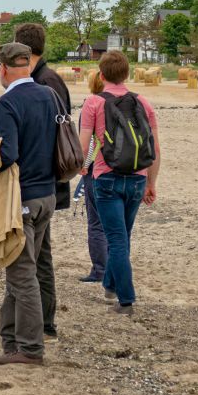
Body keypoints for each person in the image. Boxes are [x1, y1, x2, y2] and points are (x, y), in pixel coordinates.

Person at [0, 42, 57, 365]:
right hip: (47, 195)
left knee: (22, 273)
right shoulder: (49, 95)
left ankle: (30, 349)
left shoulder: (7, 103)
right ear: (28, 64)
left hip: (22, 198)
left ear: (2, 69)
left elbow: (7, 153)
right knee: (18, 268)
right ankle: (11, 338)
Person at [79, 51, 160, 315]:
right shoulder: (144, 103)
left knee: (116, 240)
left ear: (101, 76)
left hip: (107, 178)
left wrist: (82, 166)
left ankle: (126, 300)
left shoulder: (93, 103)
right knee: (122, 238)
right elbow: (155, 148)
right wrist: (151, 182)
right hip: (137, 179)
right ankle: (110, 285)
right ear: (127, 73)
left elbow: (84, 145)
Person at [15, 23, 71, 342]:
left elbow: (51, 135)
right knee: (40, 254)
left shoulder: (44, 82)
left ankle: (43, 323)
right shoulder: (50, 79)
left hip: (43, 183)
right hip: (49, 182)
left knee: (37, 257)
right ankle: (43, 319)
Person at [79, 71, 107, 282]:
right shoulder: (129, 101)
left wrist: (83, 166)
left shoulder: (92, 104)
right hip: (125, 170)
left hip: (97, 171)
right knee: (118, 227)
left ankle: (100, 270)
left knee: (96, 223)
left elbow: (89, 142)